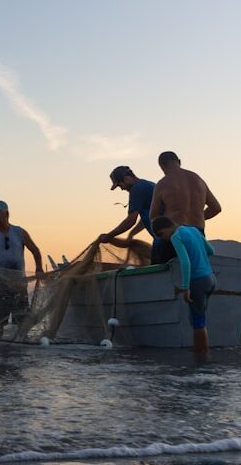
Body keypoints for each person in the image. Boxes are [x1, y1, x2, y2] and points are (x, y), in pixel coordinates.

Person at [151, 215, 216, 353]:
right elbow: (211, 250)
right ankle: (202, 355)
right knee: (199, 319)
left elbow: (185, 262)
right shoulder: (193, 230)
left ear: (165, 229)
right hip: (210, 278)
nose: (164, 239)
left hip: (197, 281)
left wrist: (185, 288)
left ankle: (201, 359)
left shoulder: (176, 237)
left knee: (198, 322)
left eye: (162, 235)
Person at [0, 200, 43, 338]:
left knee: (21, 319)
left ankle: (20, 348)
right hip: (0, 285)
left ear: (6, 213)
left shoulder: (19, 232)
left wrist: (38, 268)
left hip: (18, 283)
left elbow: (36, 251)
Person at [149, 151, 222, 264]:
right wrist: (199, 217)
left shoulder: (163, 183)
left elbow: (153, 216)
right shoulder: (198, 180)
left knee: (165, 273)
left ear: (162, 167)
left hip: (174, 233)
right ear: (179, 162)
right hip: (197, 233)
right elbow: (216, 208)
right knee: (195, 269)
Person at [98, 165, 159, 262]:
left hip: (163, 238)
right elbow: (148, 217)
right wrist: (132, 234)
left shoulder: (136, 189)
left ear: (126, 179)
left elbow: (131, 220)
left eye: (120, 185)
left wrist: (109, 236)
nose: (121, 189)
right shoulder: (148, 184)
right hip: (167, 235)